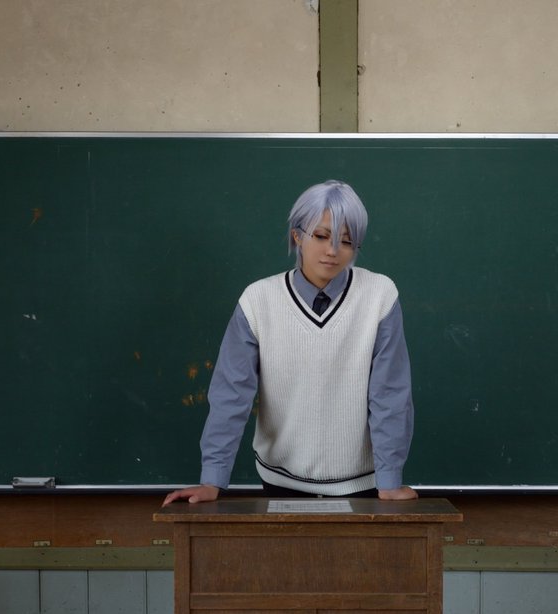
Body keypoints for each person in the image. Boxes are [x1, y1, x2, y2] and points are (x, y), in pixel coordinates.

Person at [162, 179, 418, 505]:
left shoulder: (380, 294)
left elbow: (390, 394)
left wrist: (390, 480)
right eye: (321, 236)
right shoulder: (258, 300)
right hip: (280, 480)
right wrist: (212, 480)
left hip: (364, 483)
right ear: (297, 236)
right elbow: (231, 395)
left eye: (347, 241)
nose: (333, 251)